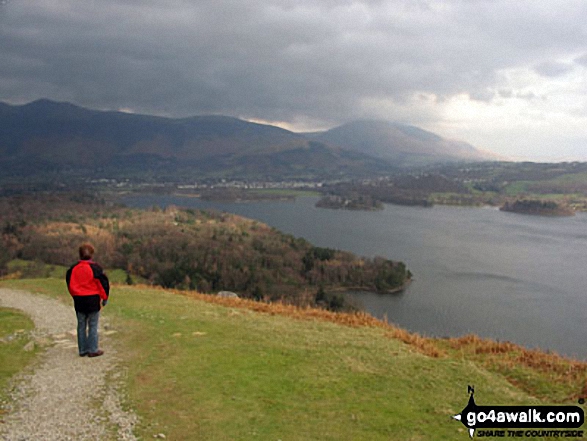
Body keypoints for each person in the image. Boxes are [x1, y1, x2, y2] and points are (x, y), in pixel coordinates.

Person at [66, 243, 110, 357]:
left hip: (79, 300)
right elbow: (103, 284)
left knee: (81, 325)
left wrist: (75, 295)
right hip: (93, 300)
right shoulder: (96, 268)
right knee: (93, 325)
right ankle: (93, 349)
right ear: (91, 255)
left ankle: (82, 350)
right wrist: (105, 298)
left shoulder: (73, 269)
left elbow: (70, 285)